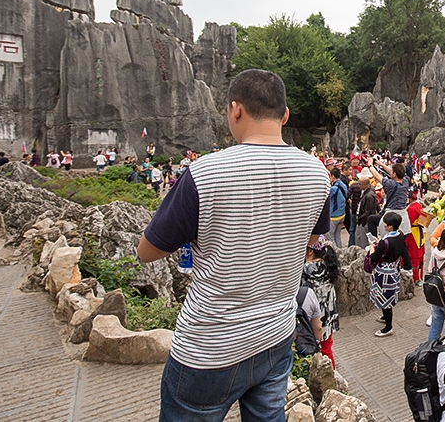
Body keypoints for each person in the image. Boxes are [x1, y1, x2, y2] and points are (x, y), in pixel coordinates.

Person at [136, 69, 331, 422]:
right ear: (285, 115)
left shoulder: (204, 172)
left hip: (209, 347)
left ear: (235, 110)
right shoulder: (317, 172)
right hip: (275, 336)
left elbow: (147, 251)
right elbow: (309, 244)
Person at [367, 212, 412, 337]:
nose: (384, 225)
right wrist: (408, 266)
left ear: (390, 226)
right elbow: (404, 250)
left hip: (383, 273)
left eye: (385, 224)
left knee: (385, 299)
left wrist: (372, 247)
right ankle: (385, 317)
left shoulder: (386, 241)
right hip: (394, 270)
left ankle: (388, 327)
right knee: (389, 296)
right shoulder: (400, 235)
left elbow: (374, 257)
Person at [302, 235, 340, 366]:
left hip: (312, 320)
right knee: (327, 349)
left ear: (310, 251)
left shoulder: (305, 271)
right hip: (328, 317)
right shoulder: (328, 265)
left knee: (317, 352)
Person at [367, 158, 411, 238]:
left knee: (371, 220)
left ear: (394, 174)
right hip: (403, 216)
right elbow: (393, 171)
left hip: (391, 215)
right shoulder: (405, 181)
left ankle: (374, 241)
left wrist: (370, 165)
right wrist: (381, 164)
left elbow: (377, 175)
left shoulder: (390, 184)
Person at [405, 192, 427, 285]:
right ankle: (418, 277)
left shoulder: (411, 208)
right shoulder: (418, 205)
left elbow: (408, 221)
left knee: (413, 255)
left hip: (412, 233)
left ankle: (414, 278)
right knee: (418, 255)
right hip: (419, 232)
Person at [355, 167, 379, 247]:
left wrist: (362, 220)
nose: (358, 185)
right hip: (362, 220)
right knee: (359, 239)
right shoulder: (368, 191)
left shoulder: (369, 196)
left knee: (364, 242)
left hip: (364, 222)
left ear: (365, 185)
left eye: (360, 184)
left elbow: (368, 211)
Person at [325, 168, 348, 248]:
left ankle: (335, 254)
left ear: (332, 176)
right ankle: (340, 252)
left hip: (333, 216)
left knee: (330, 238)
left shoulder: (333, 189)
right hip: (342, 215)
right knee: (337, 236)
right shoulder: (344, 185)